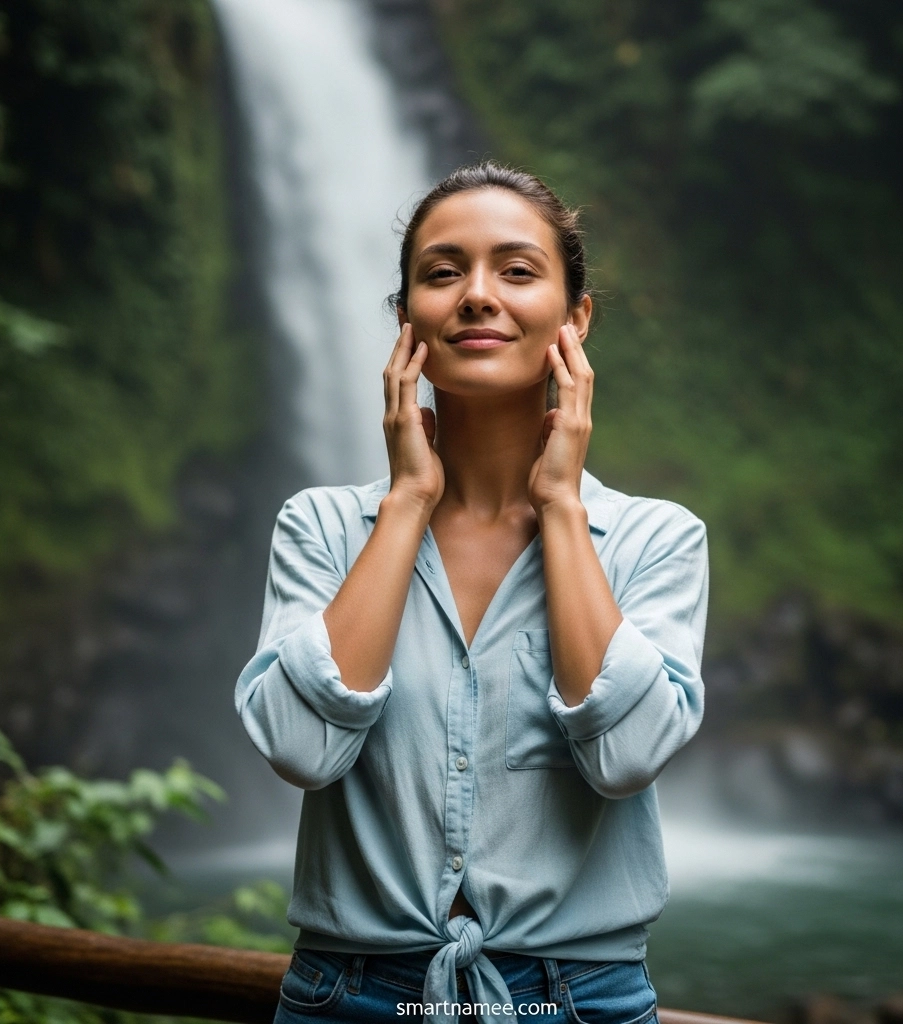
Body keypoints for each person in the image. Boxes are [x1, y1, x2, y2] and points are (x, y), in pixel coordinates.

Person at [235, 162, 709, 1024]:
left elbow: (627, 757)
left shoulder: (655, 540)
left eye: (518, 271)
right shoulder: (323, 529)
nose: (478, 296)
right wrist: (407, 503)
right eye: (443, 272)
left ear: (577, 318)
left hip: (578, 1002)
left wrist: (561, 504)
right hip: (346, 998)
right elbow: (302, 748)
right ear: (407, 316)